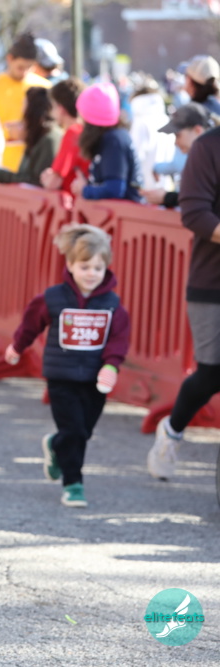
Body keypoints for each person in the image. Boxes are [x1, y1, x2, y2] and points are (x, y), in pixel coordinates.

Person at [4, 224, 130, 507]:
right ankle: (73, 484)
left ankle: (55, 445)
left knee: (83, 432)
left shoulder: (112, 304)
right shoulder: (53, 298)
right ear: (71, 265)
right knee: (73, 430)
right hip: (61, 377)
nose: (91, 274)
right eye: (85, 267)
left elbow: (119, 339)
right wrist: (17, 347)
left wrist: (111, 366)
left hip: (95, 380)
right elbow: (31, 324)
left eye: (98, 268)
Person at [146, 118, 220, 479]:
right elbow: (195, 213)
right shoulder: (208, 147)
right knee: (212, 373)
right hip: (212, 283)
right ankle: (172, 430)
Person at [70, 82, 142, 203]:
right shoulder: (112, 136)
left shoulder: (114, 140)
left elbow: (115, 189)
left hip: (124, 212)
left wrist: (85, 190)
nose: (79, 121)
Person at [0, 32, 51, 144]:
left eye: (29, 67)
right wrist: (8, 132)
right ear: (10, 59)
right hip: (2, 152)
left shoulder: (44, 87)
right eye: (20, 67)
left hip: (36, 152)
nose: (25, 72)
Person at [141, 103, 216, 208]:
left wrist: (167, 197)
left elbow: (205, 201)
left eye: (178, 135)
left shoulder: (213, 159)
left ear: (197, 130)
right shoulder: (206, 156)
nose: (175, 142)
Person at [0, 86, 62, 186]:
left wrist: (2, 175)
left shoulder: (49, 138)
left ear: (32, 108)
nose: (22, 109)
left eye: (24, 104)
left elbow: (36, 181)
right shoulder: (37, 134)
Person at [39, 78, 88, 196]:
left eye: (53, 106)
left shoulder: (73, 133)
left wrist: (46, 177)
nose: (51, 112)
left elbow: (52, 183)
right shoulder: (84, 131)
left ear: (61, 109)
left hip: (75, 203)